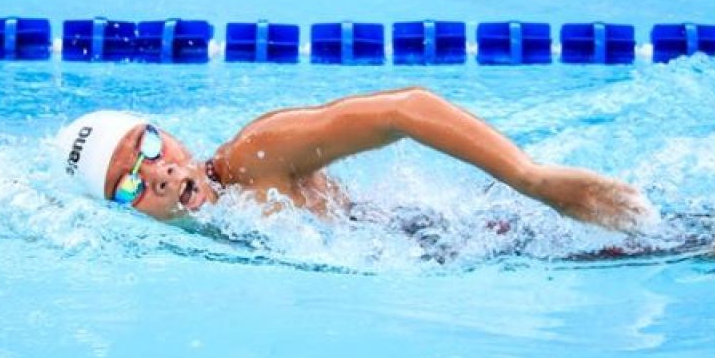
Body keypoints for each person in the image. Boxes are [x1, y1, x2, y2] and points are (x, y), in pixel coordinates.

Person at [56, 87, 657, 233]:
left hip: (474, 238)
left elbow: (406, 109)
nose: (156, 173)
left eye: (151, 147)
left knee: (694, 244)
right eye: (128, 183)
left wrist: (535, 181)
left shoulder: (254, 155)